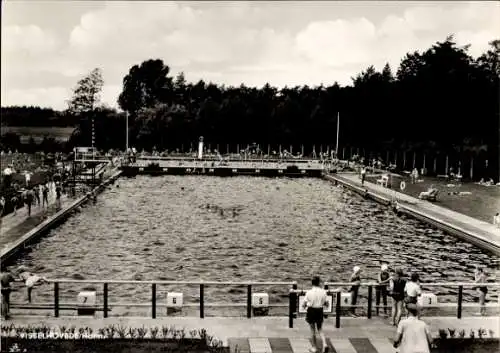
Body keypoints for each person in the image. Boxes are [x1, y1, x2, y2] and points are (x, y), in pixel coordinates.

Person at [302, 276, 328, 353]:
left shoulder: (309, 292)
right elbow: (326, 303)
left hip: (312, 310)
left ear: (312, 283)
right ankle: (325, 344)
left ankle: (314, 348)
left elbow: (304, 304)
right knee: (320, 329)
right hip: (320, 310)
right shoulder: (323, 292)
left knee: (312, 330)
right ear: (319, 283)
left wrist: (304, 306)